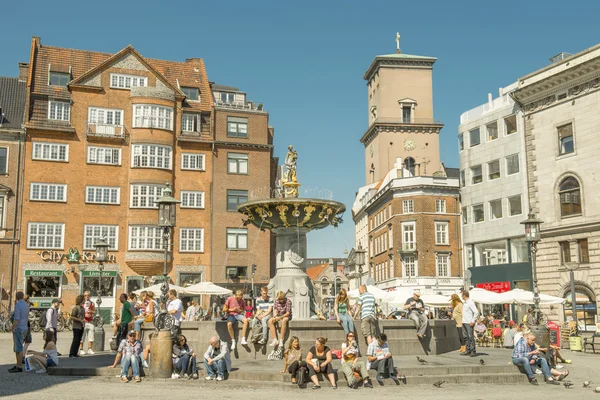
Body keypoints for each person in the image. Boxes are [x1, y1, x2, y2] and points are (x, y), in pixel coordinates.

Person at [9, 291, 29, 373]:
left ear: (17, 297)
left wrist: (13, 327)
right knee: (20, 346)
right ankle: (18, 364)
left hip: (19, 328)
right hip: (24, 327)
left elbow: (16, 318)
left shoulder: (18, 305)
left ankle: (19, 366)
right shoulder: (26, 305)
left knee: (18, 348)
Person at [461, 290, 479, 357]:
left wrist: (473, 320)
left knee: (470, 337)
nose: (461, 296)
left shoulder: (470, 302)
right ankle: (467, 350)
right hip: (464, 321)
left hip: (469, 322)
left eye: (462, 294)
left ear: (464, 295)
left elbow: (476, 312)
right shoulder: (464, 303)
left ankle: (473, 351)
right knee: (465, 337)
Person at [80, 291, 96, 355]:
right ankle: (81, 349)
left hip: (90, 321)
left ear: (89, 296)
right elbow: (79, 312)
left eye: (88, 295)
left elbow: (94, 311)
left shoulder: (92, 303)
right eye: (85, 295)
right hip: (84, 322)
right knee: (82, 336)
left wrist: (91, 311)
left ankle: (89, 349)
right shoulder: (81, 303)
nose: (86, 297)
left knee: (91, 336)